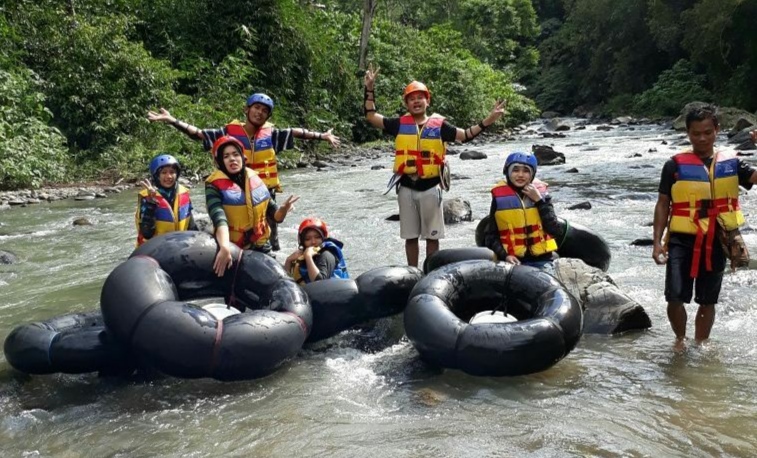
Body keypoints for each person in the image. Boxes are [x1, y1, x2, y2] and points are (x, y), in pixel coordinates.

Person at [147, 92, 340, 251]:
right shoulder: (227, 133)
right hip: (230, 192)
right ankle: (228, 251)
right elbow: (198, 134)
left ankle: (269, 258)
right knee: (230, 229)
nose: (259, 113)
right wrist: (172, 120)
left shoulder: (271, 135)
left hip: (261, 192)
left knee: (268, 237)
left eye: (264, 111)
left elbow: (296, 132)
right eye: (256, 108)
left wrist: (323, 136)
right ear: (247, 110)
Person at [363, 64, 507, 267]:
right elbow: (370, 116)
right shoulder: (398, 124)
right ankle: (412, 272)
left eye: (420, 98)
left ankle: (431, 270)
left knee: (432, 236)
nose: (416, 102)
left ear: (427, 101)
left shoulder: (440, 126)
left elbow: (465, 136)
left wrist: (489, 119)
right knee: (410, 236)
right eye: (411, 99)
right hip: (406, 186)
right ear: (407, 103)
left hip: (431, 187)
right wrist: (369, 88)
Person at [652, 105, 757, 350]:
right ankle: (680, 339)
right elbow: (663, 203)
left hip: (718, 238)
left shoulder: (732, 164)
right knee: (675, 296)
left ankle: (701, 344)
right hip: (681, 238)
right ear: (687, 132)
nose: (702, 138)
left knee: (708, 299)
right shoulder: (674, 165)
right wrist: (657, 242)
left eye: (707, 132)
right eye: (696, 133)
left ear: (717, 131)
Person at [206, 136, 298, 277]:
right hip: (234, 248)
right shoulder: (213, 186)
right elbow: (219, 218)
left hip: (261, 246)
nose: (232, 159)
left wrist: (283, 210)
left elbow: (275, 216)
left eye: (236, 154)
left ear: (243, 158)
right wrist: (224, 247)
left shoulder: (254, 178)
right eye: (226, 156)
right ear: (220, 162)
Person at [483, 152, 563, 272]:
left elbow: (556, 230)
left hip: (542, 260)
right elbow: (490, 237)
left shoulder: (542, 196)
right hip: (513, 261)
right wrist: (505, 256)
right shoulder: (499, 198)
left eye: (526, 171)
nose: (520, 175)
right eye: (515, 170)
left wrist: (539, 201)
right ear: (508, 172)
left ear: (532, 174)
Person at [135, 154, 197, 246]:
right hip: (154, 250)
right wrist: (151, 203)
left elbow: (191, 226)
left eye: (172, 172)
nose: (169, 176)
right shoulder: (147, 197)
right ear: (156, 176)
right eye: (164, 173)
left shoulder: (184, 193)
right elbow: (147, 234)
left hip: (178, 246)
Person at [283, 217, 349, 284]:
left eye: (317, 237)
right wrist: (288, 261)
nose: (313, 242)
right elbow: (285, 283)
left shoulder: (327, 254)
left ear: (323, 237)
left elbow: (319, 283)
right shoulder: (300, 256)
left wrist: (308, 257)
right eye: (308, 239)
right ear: (302, 242)